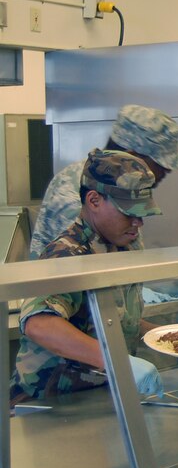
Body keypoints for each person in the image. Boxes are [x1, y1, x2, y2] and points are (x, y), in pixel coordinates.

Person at [11, 150, 164, 404]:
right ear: (94, 200)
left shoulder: (120, 247)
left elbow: (112, 322)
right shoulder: (68, 253)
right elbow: (39, 323)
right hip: (50, 402)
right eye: (129, 212)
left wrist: (168, 335)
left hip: (96, 395)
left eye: (142, 213)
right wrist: (116, 360)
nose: (138, 222)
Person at [30, 104, 178, 259]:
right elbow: (84, 270)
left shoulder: (122, 188)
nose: (167, 170)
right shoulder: (80, 191)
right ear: (132, 156)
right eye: (160, 163)